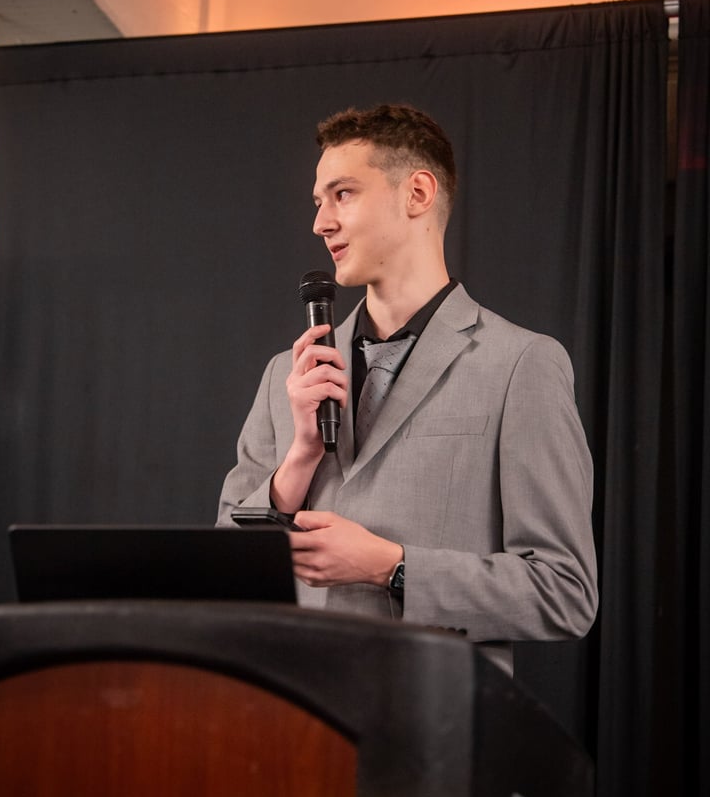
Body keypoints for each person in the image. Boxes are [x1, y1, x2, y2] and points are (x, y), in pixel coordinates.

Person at [217, 103, 598, 672]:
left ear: (417, 193)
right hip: (292, 706)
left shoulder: (522, 364)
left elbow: (564, 593)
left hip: (430, 710)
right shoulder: (287, 375)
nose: (321, 223)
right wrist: (296, 462)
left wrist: (392, 568)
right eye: (319, 202)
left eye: (343, 194)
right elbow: (221, 567)